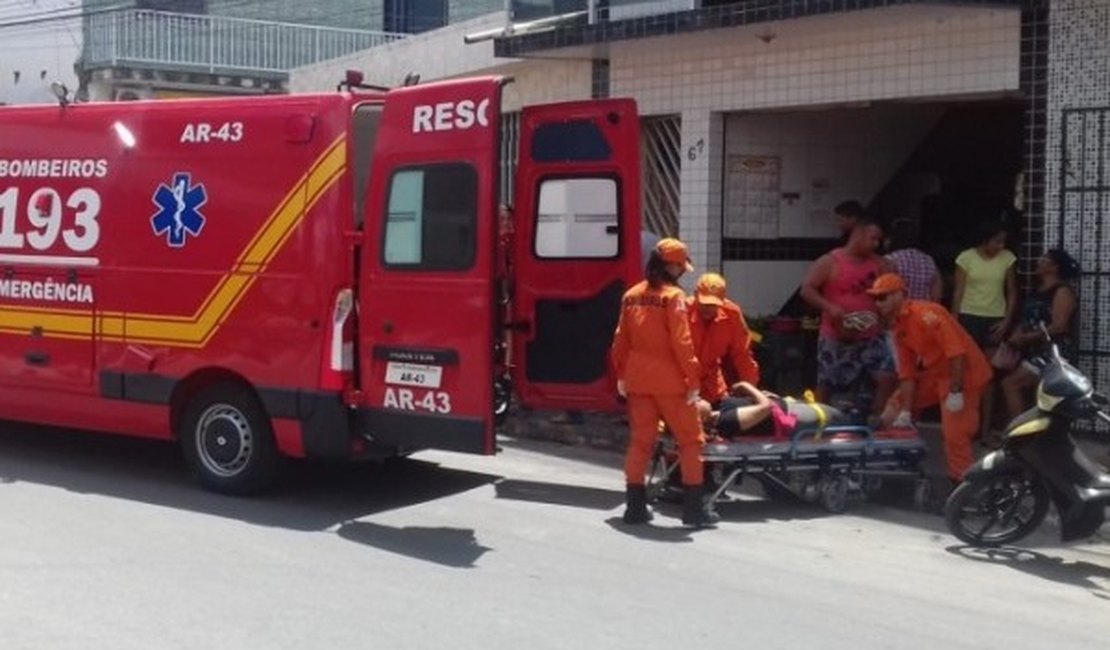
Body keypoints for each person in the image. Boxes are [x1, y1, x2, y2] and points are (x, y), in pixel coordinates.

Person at [611, 237, 718, 528]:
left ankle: (634, 508)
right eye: (681, 266)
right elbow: (681, 342)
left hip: (637, 381)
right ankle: (693, 511)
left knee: (641, 442)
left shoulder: (631, 295)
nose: (683, 271)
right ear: (671, 265)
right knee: (691, 442)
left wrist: (621, 375)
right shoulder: (673, 297)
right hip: (671, 383)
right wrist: (693, 378)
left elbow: (620, 340)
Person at [870, 273, 992, 486]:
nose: (878, 303)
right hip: (938, 373)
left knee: (955, 434)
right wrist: (906, 411)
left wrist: (955, 390)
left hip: (964, 376)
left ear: (899, 295)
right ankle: (887, 455)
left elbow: (957, 354)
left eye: (883, 297)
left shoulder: (927, 314)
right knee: (896, 404)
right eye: (876, 298)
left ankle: (963, 488)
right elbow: (907, 374)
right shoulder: (899, 327)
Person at [800, 219, 896, 414]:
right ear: (858, 236)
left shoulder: (880, 264)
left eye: (879, 240)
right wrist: (829, 307)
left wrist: (886, 312)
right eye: (873, 239)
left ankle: (876, 422)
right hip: (836, 334)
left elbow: (893, 292)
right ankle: (818, 420)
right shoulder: (830, 261)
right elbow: (807, 290)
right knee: (827, 383)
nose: (876, 244)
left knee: (887, 377)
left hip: (871, 334)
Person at [1000, 249, 1081, 422]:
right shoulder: (1039, 290)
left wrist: (1026, 338)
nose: (1039, 262)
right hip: (1035, 350)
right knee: (1037, 394)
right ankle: (1035, 436)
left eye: (1044, 260)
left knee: (1010, 384)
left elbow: (1059, 326)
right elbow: (1028, 318)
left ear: (1055, 267)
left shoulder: (1062, 292)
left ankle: (1020, 434)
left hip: (1052, 353)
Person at [687, 272, 760, 406]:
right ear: (695, 294)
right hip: (684, 384)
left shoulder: (732, 314)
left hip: (713, 385)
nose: (708, 308)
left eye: (713, 304)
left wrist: (751, 390)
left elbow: (742, 354)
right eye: (704, 303)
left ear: (722, 299)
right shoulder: (682, 311)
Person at [951, 222, 1017, 353]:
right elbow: (958, 291)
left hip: (995, 314)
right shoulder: (966, 257)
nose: (1001, 246)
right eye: (997, 242)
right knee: (970, 357)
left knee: (991, 359)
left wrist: (1007, 321)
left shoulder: (1007, 257)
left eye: (1003, 242)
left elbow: (1012, 291)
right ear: (985, 240)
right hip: (968, 314)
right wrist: (954, 319)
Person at [885, 218, 942, 302]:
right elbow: (936, 294)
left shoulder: (891, 259)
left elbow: (884, 289)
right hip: (923, 312)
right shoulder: (929, 261)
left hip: (900, 311)